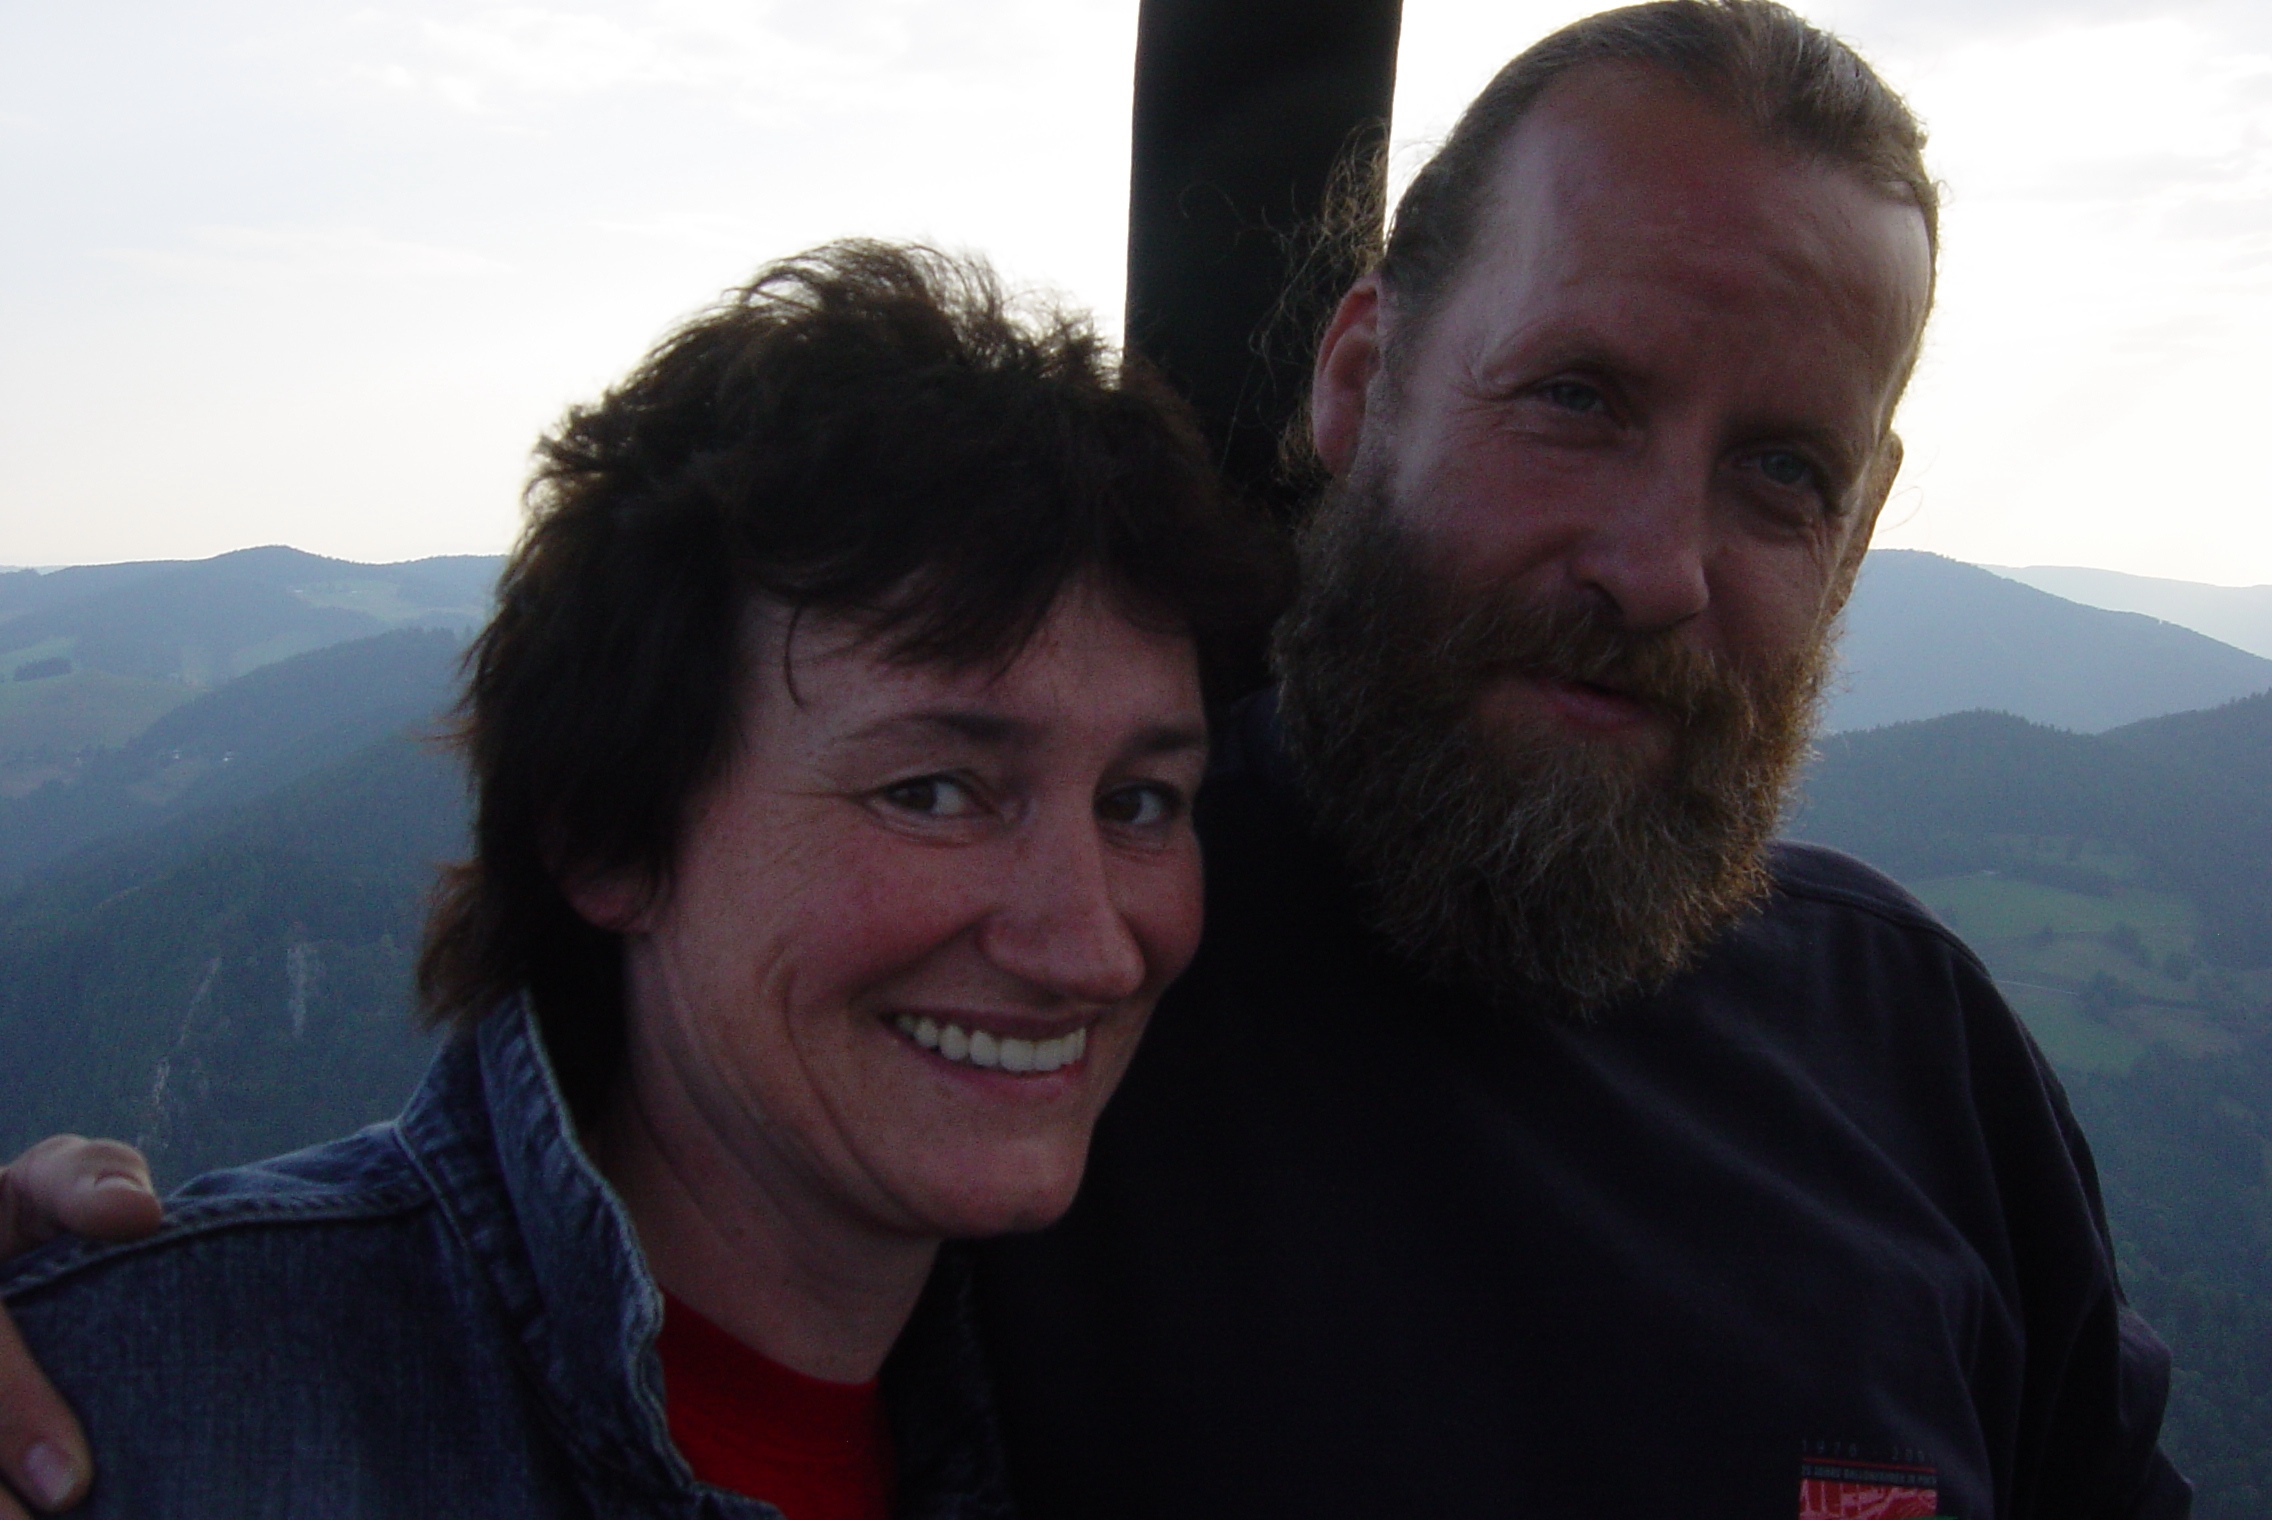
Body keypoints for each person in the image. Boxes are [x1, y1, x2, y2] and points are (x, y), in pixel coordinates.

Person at [0, 3, 2196, 1517]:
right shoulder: (1014, 1050)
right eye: (1575, 399)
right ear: (1361, 381)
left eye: (1782, 474)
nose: (1654, 562)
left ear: (1860, 528)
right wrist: (100, 1312)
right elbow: (507, 1268)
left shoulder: (1910, 1050)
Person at [0, 239, 1278, 1517]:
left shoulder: (1135, 1400)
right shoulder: (136, 1426)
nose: (1087, 945)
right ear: (607, 834)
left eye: (1136, 801)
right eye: (933, 792)